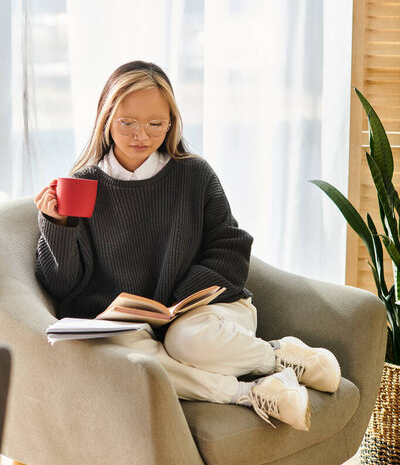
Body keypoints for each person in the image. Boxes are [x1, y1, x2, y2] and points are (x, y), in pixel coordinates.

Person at [34, 60, 341, 431]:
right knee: (132, 361)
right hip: (131, 327)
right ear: (105, 118)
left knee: (185, 342)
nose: (140, 135)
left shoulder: (194, 174)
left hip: (207, 311)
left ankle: (278, 355)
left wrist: (176, 303)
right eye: (127, 122)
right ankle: (253, 390)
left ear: (171, 123)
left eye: (155, 124)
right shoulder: (82, 186)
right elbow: (61, 286)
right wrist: (57, 225)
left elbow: (230, 248)